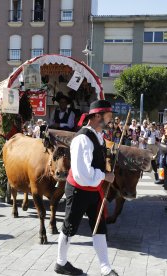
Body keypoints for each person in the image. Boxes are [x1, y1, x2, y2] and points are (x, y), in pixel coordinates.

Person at [55, 100, 118, 276]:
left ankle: (105, 268)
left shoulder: (99, 137)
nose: (110, 119)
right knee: (69, 227)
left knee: (99, 226)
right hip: (78, 190)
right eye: (108, 116)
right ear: (98, 116)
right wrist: (105, 176)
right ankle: (61, 263)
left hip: (94, 190)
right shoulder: (82, 139)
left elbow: (96, 164)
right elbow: (82, 174)